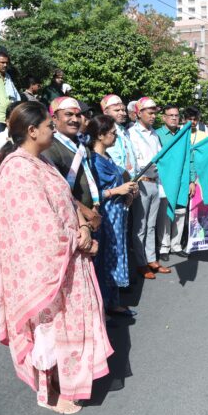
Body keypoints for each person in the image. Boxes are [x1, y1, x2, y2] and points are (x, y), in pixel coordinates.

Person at [0, 101, 111, 414]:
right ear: (32, 131)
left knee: (64, 329)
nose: (52, 129)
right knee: (48, 332)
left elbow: (66, 203)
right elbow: (38, 229)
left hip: (67, 261)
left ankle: (64, 382)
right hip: (45, 271)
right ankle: (49, 393)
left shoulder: (41, 161)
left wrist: (82, 226)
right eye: (47, 125)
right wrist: (80, 241)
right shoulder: (17, 168)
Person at [87, 115, 138, 317]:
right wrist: (118, 191)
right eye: (112, 133)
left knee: (115, 255)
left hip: (118, 213)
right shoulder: (93, 161)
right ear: (100, 135)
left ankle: (113, 301)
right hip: (105, 216)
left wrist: (128, 194)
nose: (116, 137)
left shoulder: (107, 157)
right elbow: (93, 194)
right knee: (104, 259)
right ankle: (102, 305)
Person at [42, 97, 101, 233]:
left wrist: (95, 209)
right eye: (68, 114)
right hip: (66, 218)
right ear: (54, 118)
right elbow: (55, 191)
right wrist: (87, 213)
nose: (75, 119)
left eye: (78, 115)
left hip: (90, 217)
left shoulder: (82, 148)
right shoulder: (50, 148)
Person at [128, 97, 171, 279]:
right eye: (150, 112)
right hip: (141, 182)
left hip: (155, 183)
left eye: (155, 112)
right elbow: (133, 161)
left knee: (152, 224)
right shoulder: (131, 133)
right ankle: (140, 262)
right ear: (139, 113)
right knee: (140, 225)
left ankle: (152, 258)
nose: (154, 116)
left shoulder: (154, 134)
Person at [155, 105, 194, 261]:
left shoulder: (184, 135)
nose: (173, 118)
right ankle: (163, 247)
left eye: (176, 115)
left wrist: (191, 180)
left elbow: (190, 158)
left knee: (180, 211)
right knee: (165, 213)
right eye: (170, 115)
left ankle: (176, 245)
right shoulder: (157, 135)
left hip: (182, 179)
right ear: (164, 117)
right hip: (165, 180)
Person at [101, 94, 138, 180]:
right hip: (119, 180)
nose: (122, 113)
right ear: (106, 112)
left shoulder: (123, 130)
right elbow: (114, 161)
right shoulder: (106, 131)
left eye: (123, 110)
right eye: (117, 110)